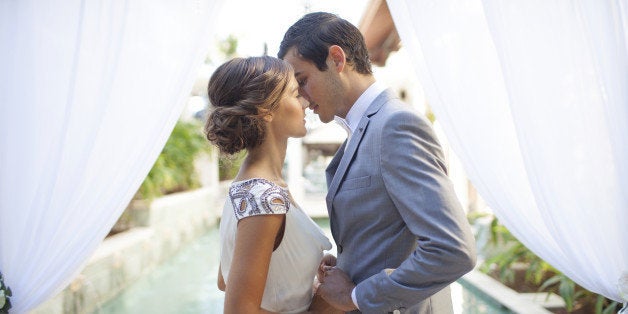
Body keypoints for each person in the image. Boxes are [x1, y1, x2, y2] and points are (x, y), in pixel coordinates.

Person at [278, 12, 477, 313]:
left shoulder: (396, 125)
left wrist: (356, 295)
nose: (302, 99)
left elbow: (452, 250)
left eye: (302, 81)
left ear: (336, 59)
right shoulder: (362, 131)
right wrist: (347, 265)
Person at [205, 56, 339, 313]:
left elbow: (225, 280)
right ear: (264, 110)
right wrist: (327, 303)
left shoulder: (247, 187)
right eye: (294, 93)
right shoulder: (264, 198)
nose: (306, 101)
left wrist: (302, 272)